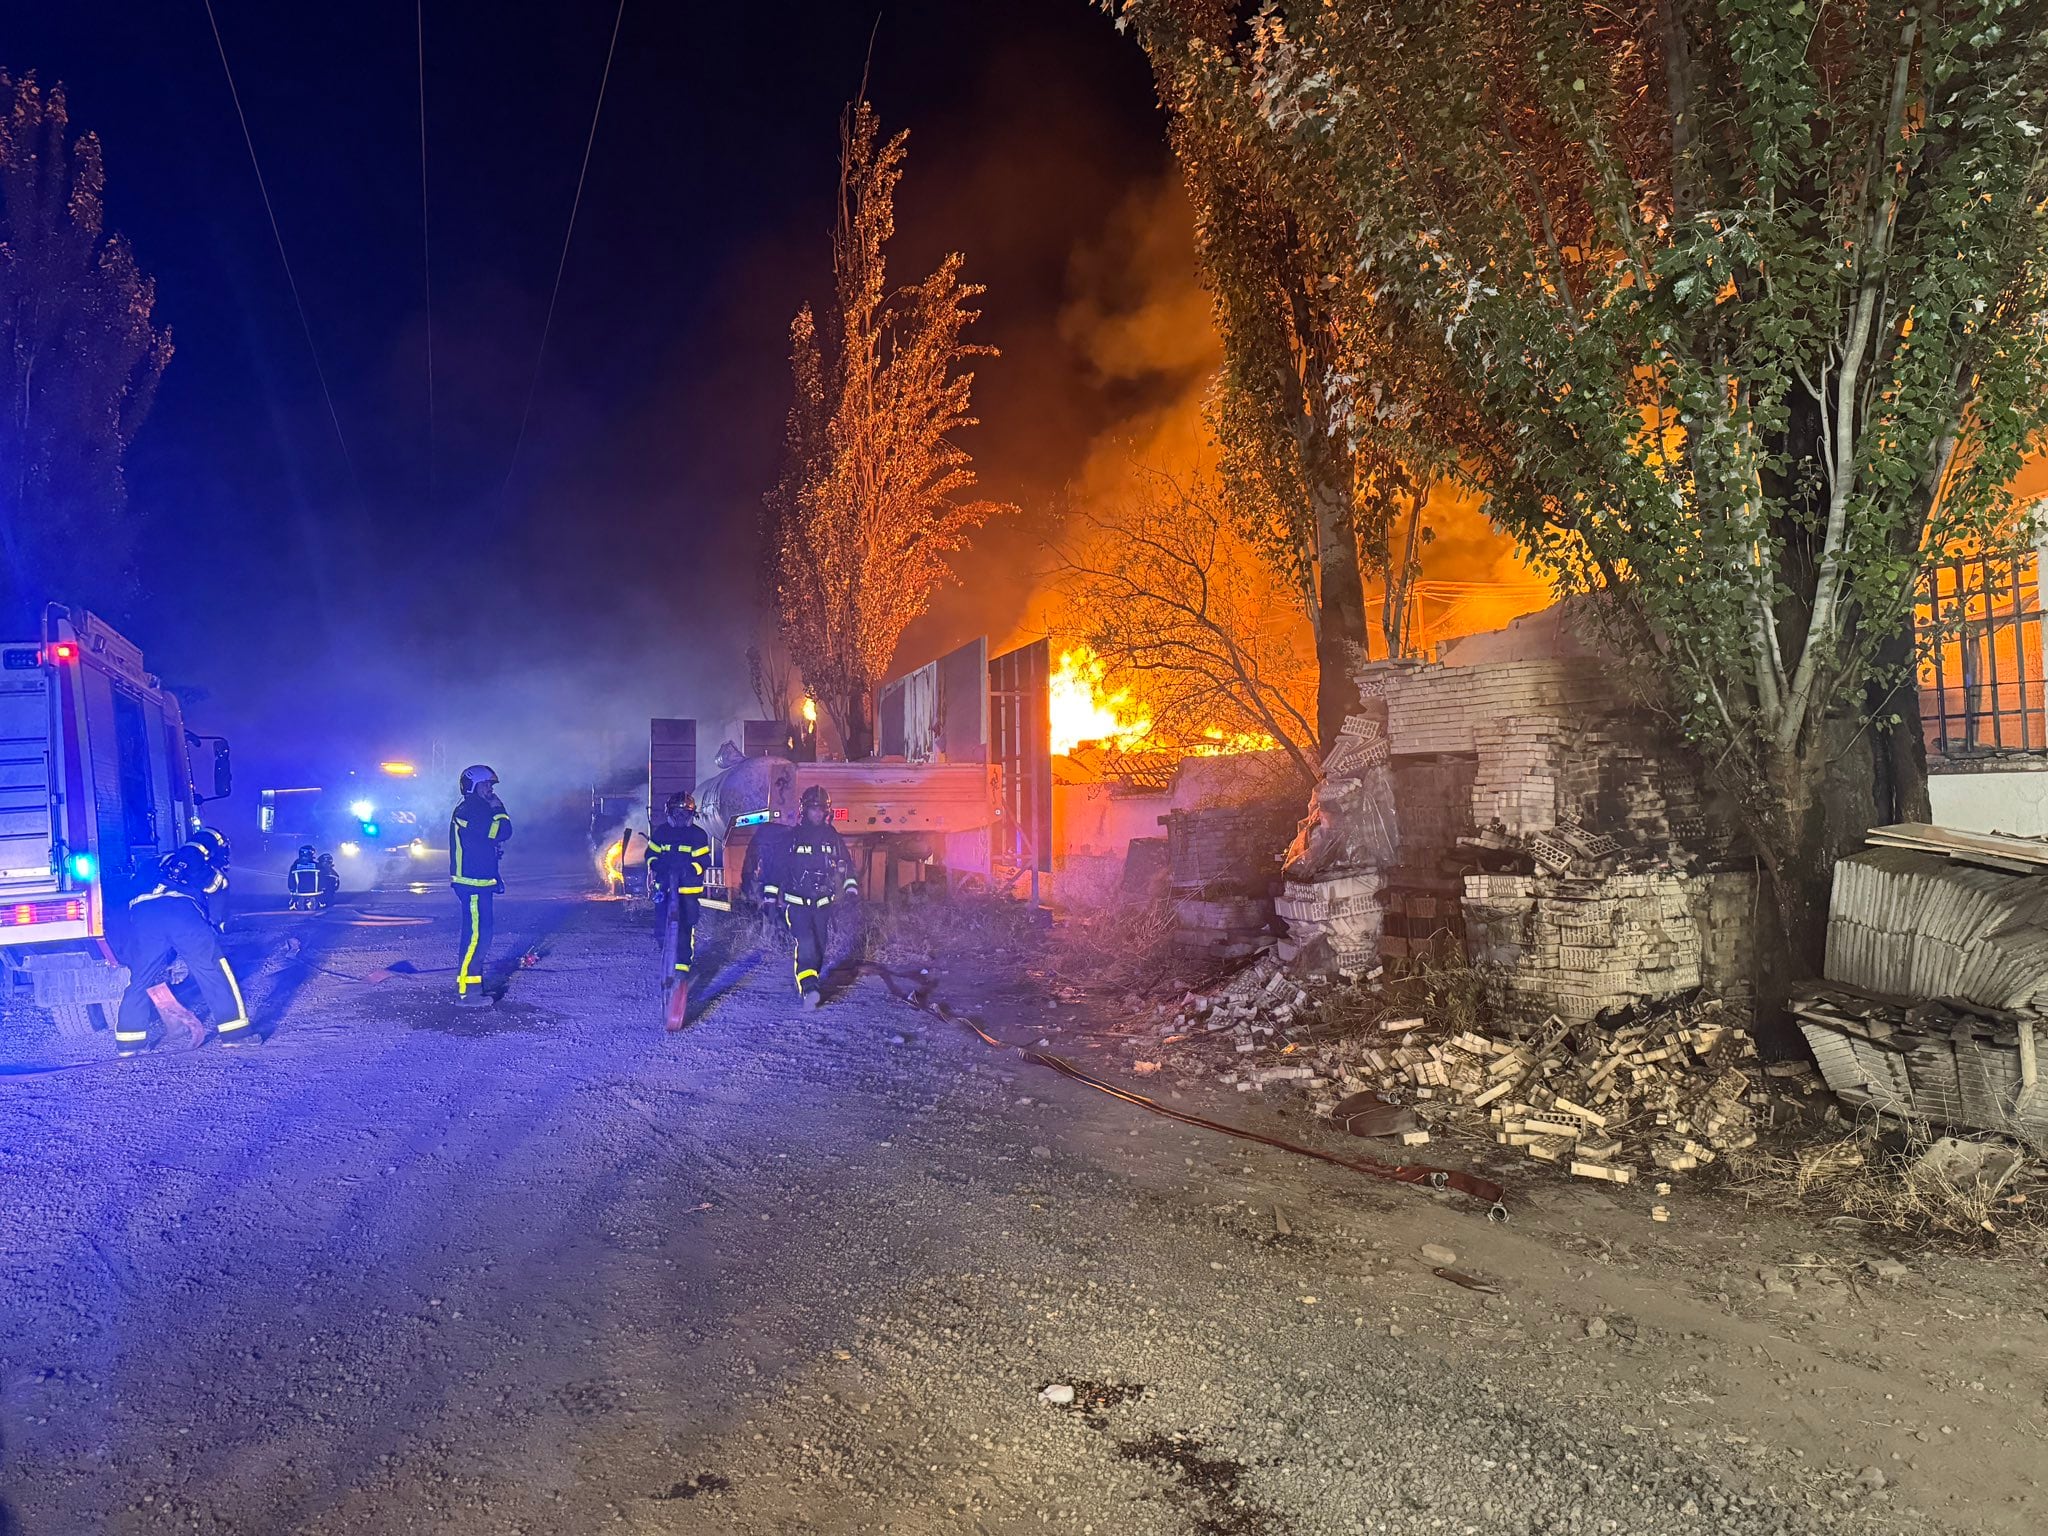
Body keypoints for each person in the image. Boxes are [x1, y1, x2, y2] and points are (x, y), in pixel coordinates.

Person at [112, 838, 256, 1056]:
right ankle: (235, 1034)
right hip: (182, 913)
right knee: (212, 969)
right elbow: (217, 895)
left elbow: (128, 893)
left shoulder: (151, 862)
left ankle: (129, 1043)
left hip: (144, 917)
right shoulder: (201, 864)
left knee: (140, 978)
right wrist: (217, 924)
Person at [760, 784, 859, 1010]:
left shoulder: (832, 837)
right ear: (805, 810)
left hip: (823, 904)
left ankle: (811, 980)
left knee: (820, 946)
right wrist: (770, 901)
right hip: (797, 904)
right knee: (806, 943)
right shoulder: (792, 837)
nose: (817, 813)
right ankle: (809, 988)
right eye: (813, 809)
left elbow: (845, 865)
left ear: (827, 811)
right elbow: (776, 870)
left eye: (821, 809)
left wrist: (851, 890)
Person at [645, 790, 713, 1032]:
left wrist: (689, 869)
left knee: (684, 931)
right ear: (670, 813)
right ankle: (668, 962)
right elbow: (651, 856)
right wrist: (659, 866)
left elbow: (703, 861)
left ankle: (682, 974)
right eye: (678, 812)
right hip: (665, 891)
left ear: (691, 814)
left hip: (687, 893)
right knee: (662, 932)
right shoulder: (662, 833)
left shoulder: (698, 835)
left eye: (686, 813)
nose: (682, 816)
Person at [449, 764, 512, 1003]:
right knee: (476, 937)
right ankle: (467, 992)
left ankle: (474, 987)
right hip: (472, 883)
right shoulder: (469, 810)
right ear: (473, 786)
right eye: (486, 785)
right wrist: (500, 810)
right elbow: (501, 830)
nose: (491, 790)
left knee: (482, 936)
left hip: (481, 882)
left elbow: (488, 842)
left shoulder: (478, 808)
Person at [287, 844, 322, 911]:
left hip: (299, 892)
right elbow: (323, 878)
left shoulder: (294, 866)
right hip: (316, 892)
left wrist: (292, 890)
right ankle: (321, 903)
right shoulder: (317, 865)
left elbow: (290, 880)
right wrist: (322, 888)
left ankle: (294, 904)